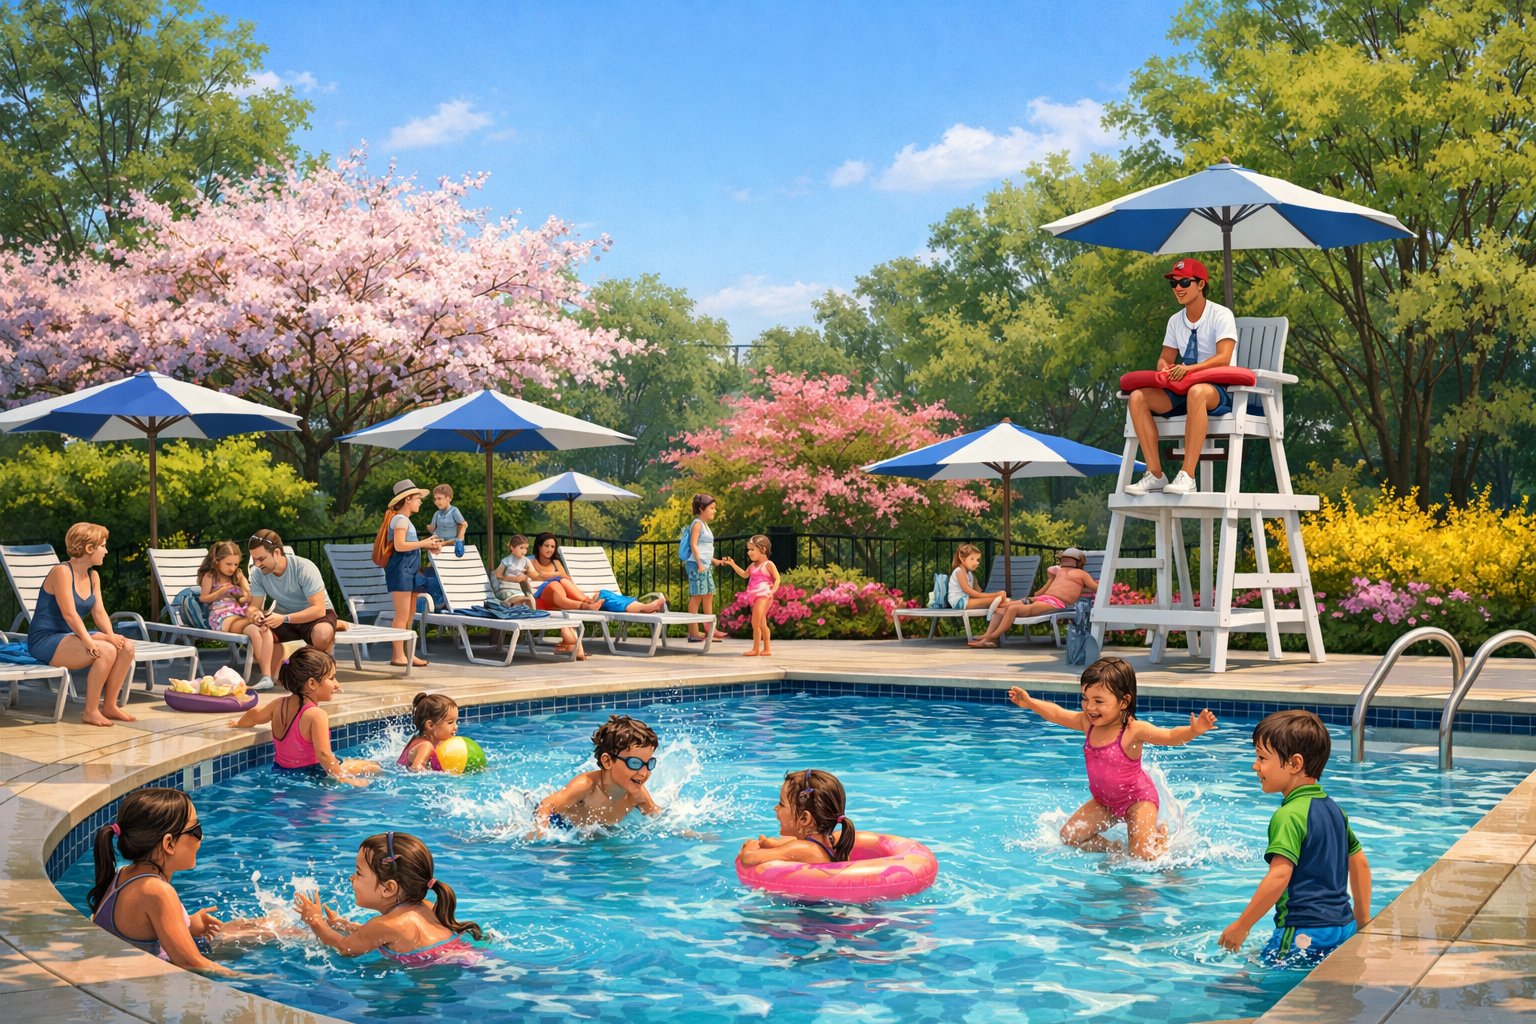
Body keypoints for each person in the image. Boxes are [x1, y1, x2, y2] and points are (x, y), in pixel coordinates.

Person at [1007, 656, 1218, 860]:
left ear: (1124, 701)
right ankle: (1115, 848)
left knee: (1142, 856)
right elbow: (1056, 713)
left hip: (1137, 801)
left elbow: (1170, 736)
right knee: (1069, 837)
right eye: (1085, 698)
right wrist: (1030, 702)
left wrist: (1195, 730)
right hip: (1105, 801)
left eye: (1098, 701)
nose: (1090, 707)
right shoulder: (1086, 723)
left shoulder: (1133, 730)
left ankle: (1159, 840)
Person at [1220, 710, 1372, 965]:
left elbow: (1279, 876)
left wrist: (1242, 925)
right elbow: (1360, 864)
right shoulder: (1334, 809)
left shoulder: (1288, 816)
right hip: (1342, 927)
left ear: (1294, 764)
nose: (1255, 766)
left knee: (1247, 991)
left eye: (1261, 758)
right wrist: (1363, 921)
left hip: (1303, 932)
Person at [86, 788, 237, 973]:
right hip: (150, 985)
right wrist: (259, 980)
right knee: (256, 935)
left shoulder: (125, 874)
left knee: (252, 928)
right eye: (196, 830)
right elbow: (191, 963)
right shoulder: (156, 891)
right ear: (169, 843)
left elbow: (141, 930)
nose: (202, 838)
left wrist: (188, 923)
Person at [1124, 257, 1239, 496]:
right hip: (1180, 390)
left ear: (1200, 284)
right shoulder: (1175, 321)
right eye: (1173, 284)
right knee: (1137, 397)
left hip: (1214, 390)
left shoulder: (1221, 314)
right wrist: (1165, 368)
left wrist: (1189, 370)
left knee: (1197, 392)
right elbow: (1165, 357)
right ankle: (1155, 474)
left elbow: (1224, 358)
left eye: (1184, 282)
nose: (1178, 288)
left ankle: (1188, 475)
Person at [294, 831, 483, 965]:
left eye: (359, 873)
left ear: (388, 888)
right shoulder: (426, 906)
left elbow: (345, 948)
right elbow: (375, 935)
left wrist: (316, 921)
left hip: (441, 969)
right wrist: (343, 924)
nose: (351, 878)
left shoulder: (385, 924)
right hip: (470, 958)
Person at [27, 522, 138, 727]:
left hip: (71, 635)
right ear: (89, 548)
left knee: (126, 647)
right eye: (102, 546)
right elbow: (69, 614)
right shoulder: (61, 572)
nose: (105, 551)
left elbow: (99, 611)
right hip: (47, 639)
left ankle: (110, 706)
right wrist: (89, 641)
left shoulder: (93, 576)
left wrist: (111, 635)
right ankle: (90, 711)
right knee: (105, 651)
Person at [228, 647, 381, 787]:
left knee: (363, 764)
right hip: (312, 774)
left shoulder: (278, 704)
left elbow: (254, 716)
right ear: (312, 684)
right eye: (332, 678)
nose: (337, 684)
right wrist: (342, 777)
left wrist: (239, 724)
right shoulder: (316, 715)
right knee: (374, 767)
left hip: (281, 772)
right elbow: (324, 754)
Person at [533, 715, 661, 834]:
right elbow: (546, 806)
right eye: (634, 763)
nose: (644, 772)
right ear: (607, 761)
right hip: (563, 826)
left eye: (649, 763)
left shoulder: (636, 794)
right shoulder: (586, 786)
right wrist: (540, 833)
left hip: (598, 832)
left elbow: (660, 818)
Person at [247, 529, 337, 682]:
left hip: (315, 616)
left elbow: (318, 609)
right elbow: (254, 606)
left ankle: (324, 671)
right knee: (259, 633)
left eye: (261, 558)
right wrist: (255, 614)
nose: (257, 564)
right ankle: (272, 675)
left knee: (322, 635)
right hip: (283, 614)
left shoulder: (304, 568)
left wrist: (285, 618)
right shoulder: (257, 573)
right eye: (254, 559)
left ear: (277, 553)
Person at [968, 547, 1099, 649]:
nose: (1064, 562)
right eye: (1063, 559)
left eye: (1067, 559)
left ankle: (990, 638)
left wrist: (1087, 587)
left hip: (1054, 603)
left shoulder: (1082, 574)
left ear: (1078, 562)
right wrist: (1052, 578)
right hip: (1041, 598)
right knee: (1000, 609)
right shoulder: (1058, 572)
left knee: (1013, 609)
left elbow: (1096, 587)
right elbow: (1040, 590)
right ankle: (989, 637)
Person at [197, 540, 275, 690]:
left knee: (264, 630)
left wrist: (242, 596)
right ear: (217, 561)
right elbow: (203, 598)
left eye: (235, 564)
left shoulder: (237, 575)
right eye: (228, 564)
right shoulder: (210, 575)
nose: (232, 568)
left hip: (240, 611)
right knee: (255, 629)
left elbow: (248, 595)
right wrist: (221, 591)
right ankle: (267, 671)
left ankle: (267, 676)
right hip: (222, 616)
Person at [380, 479, 442, 668]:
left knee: (409, 616)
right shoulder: (399, 519)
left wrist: (428, 546)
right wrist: (424, 543)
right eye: (417, 498)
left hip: (411, 570)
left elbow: (408, 545)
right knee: (401, 615)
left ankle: (409, 654)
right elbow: (399, 546)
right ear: (407, 499)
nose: (420, 502)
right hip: (401, 571)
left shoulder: (405, 521)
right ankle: (398, 655)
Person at [738, 769, 857, 866]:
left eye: (781, 804)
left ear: (804, 819)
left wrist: (749, 848)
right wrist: (770, 844)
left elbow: (750, 859)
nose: (775, 808)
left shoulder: (803, 848)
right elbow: (791, 844)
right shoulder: (831, 844)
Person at [527, 531, 599, 659]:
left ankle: (586, 602)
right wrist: (555, 575)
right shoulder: (530, 561)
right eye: (546, 546)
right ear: (539, 546)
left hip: (558, 598)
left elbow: (565, 578)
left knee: (563, 582)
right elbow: (538, 576)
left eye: (552, 547)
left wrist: (559, 578)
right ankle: (585, 605)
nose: (550, 549)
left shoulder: (556, 562)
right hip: (539, 597)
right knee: (556, 583)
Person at [721, 534, 780, 657]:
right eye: (748, 549)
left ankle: (756, 649)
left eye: (752, 549)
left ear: (763, 549)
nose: (749, 552)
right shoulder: (753, 566)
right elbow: (744, 574)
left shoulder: (768, 564)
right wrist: (732, 564)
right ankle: (767, 649)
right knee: (762, 623)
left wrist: (773, 590)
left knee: (755, 623)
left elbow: (777, 578)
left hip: (764, 596)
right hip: (755, 597)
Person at [681, 493, 727, 643]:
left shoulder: (704, 525)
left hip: (705, 565)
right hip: (696, 566)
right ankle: (693, 632)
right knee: (697, 596)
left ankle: (710, 630)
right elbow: (694, 545)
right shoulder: (697, 524)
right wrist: (700, 563)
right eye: (712, 508)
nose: (715, 511)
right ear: (702, 508)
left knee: (709, 595)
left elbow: (703, 548)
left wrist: (714, 560)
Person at [398, 692, 458, 771]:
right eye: (450, 722)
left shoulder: (434, 742)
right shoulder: (426, 746)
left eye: (456, 721)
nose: (456, 727)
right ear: (430, 725)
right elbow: (416, 769)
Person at [947, 544, 1008, 610]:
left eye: (977, 560)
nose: (976, 563)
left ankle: (1016, 606)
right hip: (959, 602)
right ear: (962, 558)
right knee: (998, 600)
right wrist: (995, 594)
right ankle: (1016, 606)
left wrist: (998, 595)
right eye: (972, 559)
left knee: (1003, 600)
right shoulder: (959, 571)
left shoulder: (970, 574)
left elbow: (979, 592)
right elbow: (972, 593)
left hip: (967, 600)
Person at [427, 483, 468, 558]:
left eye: (439, 498)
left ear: (448, 498)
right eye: (435, 499)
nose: (436, 502)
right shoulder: (437, 514)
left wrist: (459, 540)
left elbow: (463, 524)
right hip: (439, 546)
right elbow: (432, 529)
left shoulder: (454, 511)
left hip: (452, 546)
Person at [493, 534, 533, 603]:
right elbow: (497, 574)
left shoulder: (525, 560)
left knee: (529, 599)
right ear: (512, 547)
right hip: (506, 588)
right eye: (521, 548)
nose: (524, 551)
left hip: (519, 589)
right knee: (518, 599)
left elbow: (533, 573)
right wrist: (515, 579)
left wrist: (526, 576)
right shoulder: (507, 561)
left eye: (526, 548)